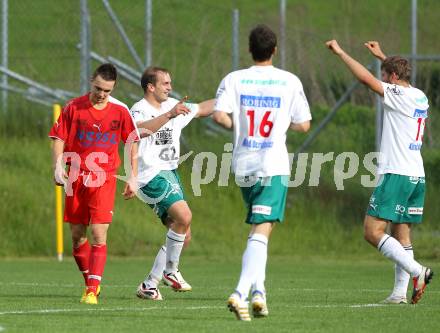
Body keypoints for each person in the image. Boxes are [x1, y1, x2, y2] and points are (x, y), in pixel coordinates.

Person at [213, 24, 311, 321]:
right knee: (263, 229)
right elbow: (304, 124)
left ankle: (260, 293)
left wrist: (238, 127)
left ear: (249, 49)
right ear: (275, 50)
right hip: (272, 164)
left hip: (243, 164)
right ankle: (241, 292)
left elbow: (220, 116)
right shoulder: (289, 81)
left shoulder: (234, 79)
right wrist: (283, 125)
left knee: (260, 227)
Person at [326, 40, 433, 304]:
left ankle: (418, 270)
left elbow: (365, 79)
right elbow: (398, 79)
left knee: (372, 232)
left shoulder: (399, 95)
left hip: (396, 173)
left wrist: (341, 53)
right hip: (416, 176)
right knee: (402, 234)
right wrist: (383, 57)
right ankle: (398, 294)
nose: (382, 81)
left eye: (385, 76)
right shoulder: (420, 96)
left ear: (394, 77)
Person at [49, 63, 139, 305]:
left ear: (114, 88)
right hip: (76, 177)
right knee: (77, 236)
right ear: (91, 81)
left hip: (104, 178)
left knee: (99, 234)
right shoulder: (73, 108)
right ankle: (90, 281)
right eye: (98, 88)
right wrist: (57, 166)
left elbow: (132, 143)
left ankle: (91, 290)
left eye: (107, 91)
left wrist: (133, 176)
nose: (101, 94)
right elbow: (59, 138)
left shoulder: (120, 111)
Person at [130, 66, 214, 301]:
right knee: (184, 217)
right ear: (151, 86)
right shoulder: (139, 109)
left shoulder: (172, 105)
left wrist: (233, 96)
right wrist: (170, 115)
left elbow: (203, 109)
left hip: (170, 173)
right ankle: (170, 272)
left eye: (170, 82)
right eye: (165, 83)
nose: (170, 87)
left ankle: (150, 284)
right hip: (151, 175)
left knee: (182, 234)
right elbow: (138, 132)